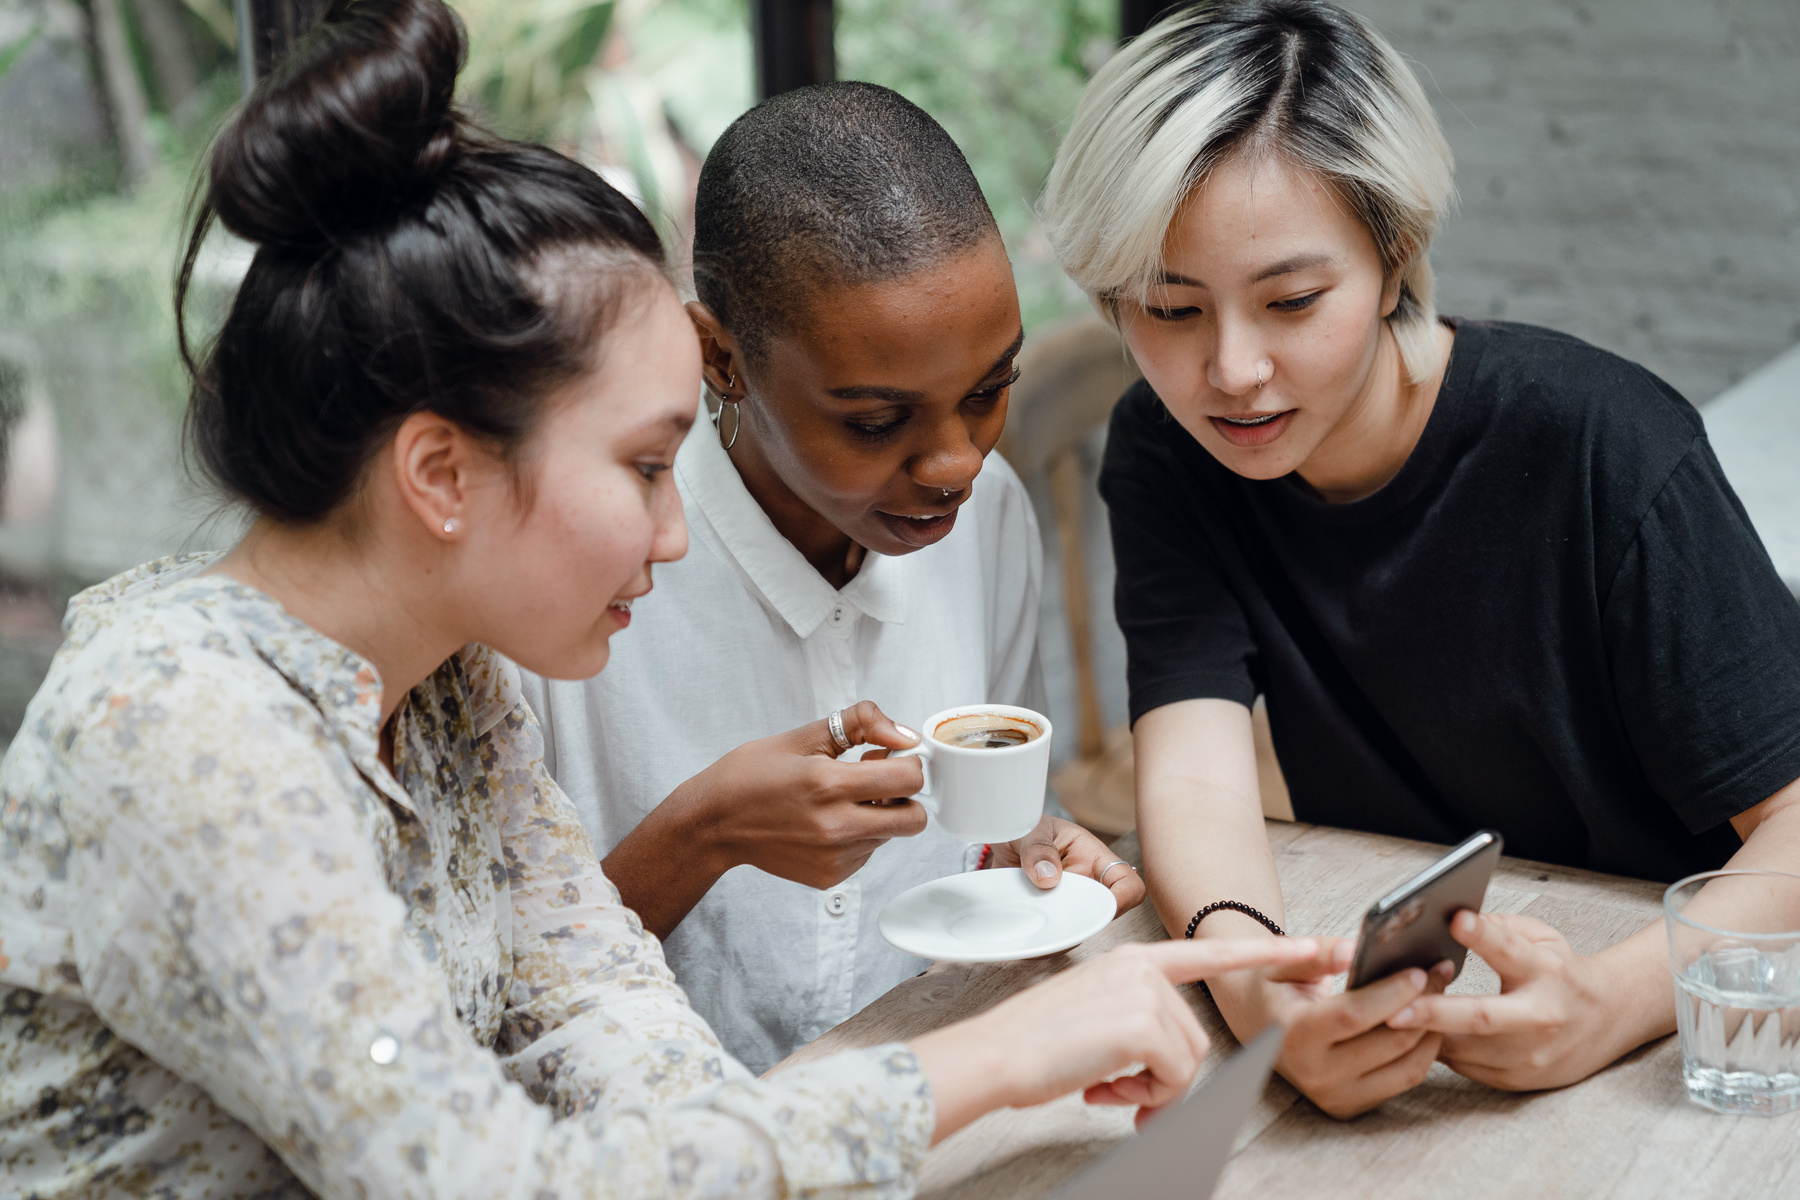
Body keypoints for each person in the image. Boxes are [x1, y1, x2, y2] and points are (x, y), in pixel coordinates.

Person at [0, 2, 1340, 1195]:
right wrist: (983, 1066)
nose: (678, 527)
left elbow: (611, 1038)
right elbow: (481, 1176)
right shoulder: (184, 729)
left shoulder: (454, 691)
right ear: (440, 471)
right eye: (648, 464)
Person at [1038, 0, 1800, 1118]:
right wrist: (1262, 1002)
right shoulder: (1170, 447)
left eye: (1292, 301)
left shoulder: (1604, 442)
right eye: (1170, 308)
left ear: (1396, 259)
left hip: (1695, 1018)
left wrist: (1611, 1001)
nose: (1232, 370)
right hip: (1413, 977)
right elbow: (1195, 772)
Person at [519, 83, 1145, 1074]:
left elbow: (992, 843)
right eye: (875, 422)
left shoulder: (993, 524)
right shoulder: (577, 580)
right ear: (719, 358)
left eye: (989, 392)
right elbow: (494, 1006)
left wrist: (1033, 852)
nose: (955, 465)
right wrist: (701, 835)